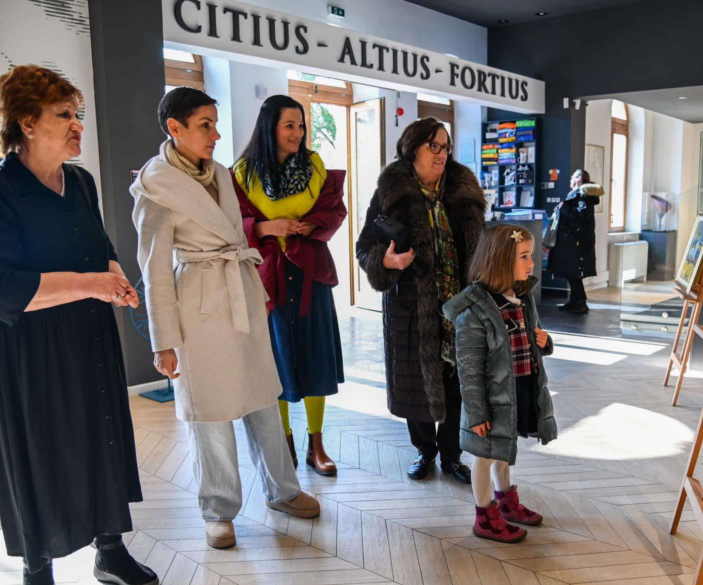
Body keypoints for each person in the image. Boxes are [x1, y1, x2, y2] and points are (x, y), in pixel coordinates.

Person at [0, 65, 158, 585]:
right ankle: (37, 570)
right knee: (35, 449)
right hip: (23, 346)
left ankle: (110, 549)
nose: (77, 126)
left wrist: (114, 276)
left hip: (85, 334)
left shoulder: (81, 182)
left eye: (78, 114)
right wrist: (93, 284)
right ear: (26, 122)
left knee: (100, 433)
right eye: (64, 115)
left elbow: (99, 246)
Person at [131, 87, 319, 551]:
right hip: (198, 305)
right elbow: (154, 270)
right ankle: (218, 509)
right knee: (210, 411)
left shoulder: (218, 172)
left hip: (240, 294)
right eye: (205, 125)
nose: (216, 135)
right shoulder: (155, 186)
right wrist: (163, 341)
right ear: (174, 128)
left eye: (215, 124)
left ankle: (282, 489)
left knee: (262, 396)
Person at [356, 118, 486, 483]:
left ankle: (452, 455)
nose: (441, 154)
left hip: (459, 305)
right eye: (434, 146)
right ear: (412, 149)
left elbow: (481, 248)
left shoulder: (463, 189)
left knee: (457, 381)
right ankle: (424, 450)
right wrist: (385, 261)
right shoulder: (390, 191)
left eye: (445, 147)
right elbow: (364, 247)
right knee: (416, 380)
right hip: (411, 306)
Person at [232, 95, 345, 477]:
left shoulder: (314, 167)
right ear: (270, 127)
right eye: (289, 125)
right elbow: (232, 225)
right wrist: (267, 227)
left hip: (311, 273)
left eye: (301, 125)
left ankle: (317, 444)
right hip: (269, 277)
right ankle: (285, 442)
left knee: (315, 356)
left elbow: (334, 211)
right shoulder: (242, 174)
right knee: (275, 360)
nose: (298, 133)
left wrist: (313, 225)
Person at [444, 225, 558, 543]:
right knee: (484, 455)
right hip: (489, 400)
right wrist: (477, 413)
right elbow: (469, 369)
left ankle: (505, 500)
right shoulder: (474, 310)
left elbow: (532, 341)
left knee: (503, 450)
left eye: (531, 256)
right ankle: (484, 517)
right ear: (500, 260)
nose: (532, 263)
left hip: (517, 390)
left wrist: (545, 343)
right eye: (524, 256)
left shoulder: (522, 296)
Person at [547, 169, 602, 314]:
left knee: (574, 273)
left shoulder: (583, 195)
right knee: (570, 272)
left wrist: (563, 207)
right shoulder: (578, 194)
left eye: (572, 177)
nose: (570, 180)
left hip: (576, 241)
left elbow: (581, 215)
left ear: (579, 179)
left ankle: (581, 303)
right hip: (572, 240)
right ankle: (574, 301)